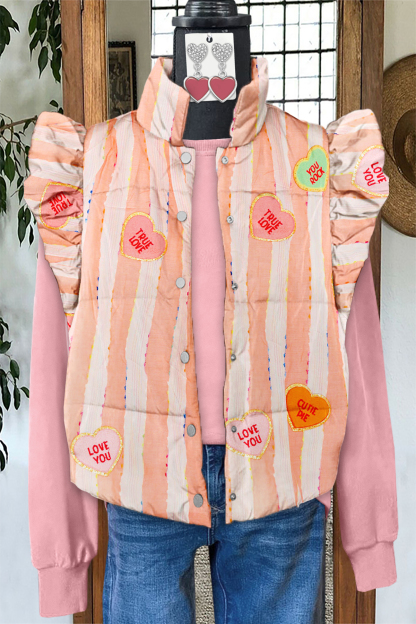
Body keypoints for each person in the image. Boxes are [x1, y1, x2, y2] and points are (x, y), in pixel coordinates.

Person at [25, 56, 398, 623]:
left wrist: (370, 534)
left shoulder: (317, 161)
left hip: (281, 476)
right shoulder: (92, 162)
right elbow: (59, 357)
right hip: (142, 478)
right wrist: (61, 556)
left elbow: (355, 352)